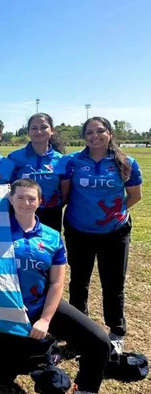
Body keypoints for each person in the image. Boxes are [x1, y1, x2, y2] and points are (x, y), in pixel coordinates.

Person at [6, 178, 111, 394]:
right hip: (7, 310)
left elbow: (56, 282)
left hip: (41, 305)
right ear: (10, 198)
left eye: (31, 198)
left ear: (40, 201)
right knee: (6, 366)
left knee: (99, 342)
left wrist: (45, 319)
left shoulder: (52, 236)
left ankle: (85, 389)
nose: (26, 202)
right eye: (20, 197)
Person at [63, 117, 142, 355]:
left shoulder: (126, 162)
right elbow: (66, 195)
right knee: (78, 282)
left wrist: (113, 215)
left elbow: (134, 196)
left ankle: (116, 332)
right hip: (79, 231)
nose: (94, 136)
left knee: (113, 284)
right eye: (89, 132)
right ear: (83, 135)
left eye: (100, 131)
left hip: (114, 233)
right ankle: (79, 332)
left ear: (109, 133)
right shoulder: (73, 161)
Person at [8, 113, 69, 232]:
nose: (39, 131)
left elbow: (65, 194)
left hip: (51, 215)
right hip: (21, 212)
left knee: (48, 248)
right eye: (34, 128)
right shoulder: (14, 158)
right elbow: (10, 188)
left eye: (44, 127)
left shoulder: (62, 160)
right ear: (28, 132)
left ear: (52, 130)